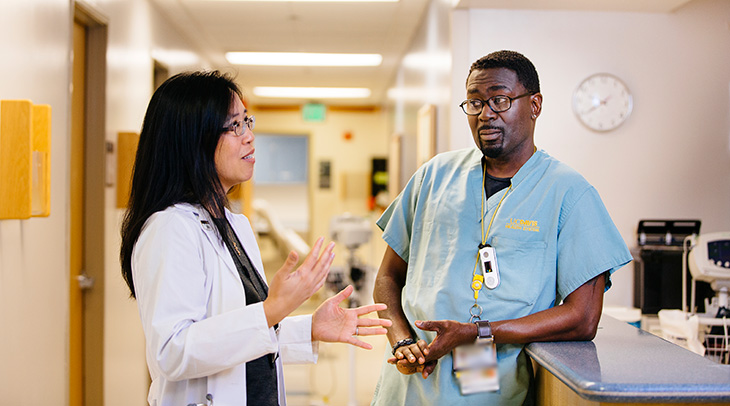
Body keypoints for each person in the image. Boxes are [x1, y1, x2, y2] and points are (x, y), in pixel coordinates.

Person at [371, 50, 632, 405]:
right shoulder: (434, 176)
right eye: (474, 103)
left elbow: (582, 318)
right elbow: (387, 278)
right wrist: (402, 341)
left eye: (500, 100)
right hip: (409, 386)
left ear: (535, 105)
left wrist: (478, 333)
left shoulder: (569, 193)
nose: (486, 114)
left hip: (494, 389)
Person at [119, 70, 391, 406]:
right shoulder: (170, 228)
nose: (249, 136)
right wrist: (271, 309)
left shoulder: (234, 225)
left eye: (248, 122)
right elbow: (171, 352)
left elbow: (245, 338)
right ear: (193, 139)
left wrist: (309, 329)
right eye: (234, 126)